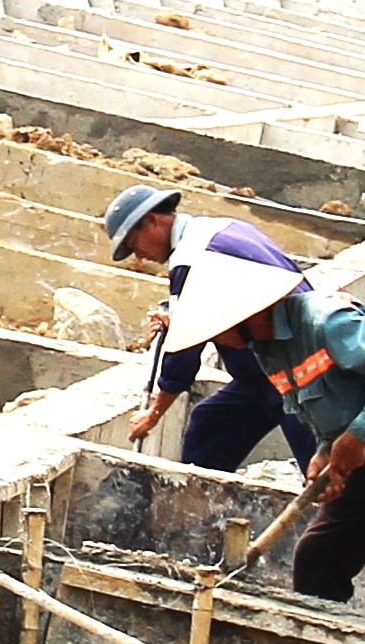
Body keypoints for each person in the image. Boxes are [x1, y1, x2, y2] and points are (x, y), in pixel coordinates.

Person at [160, 248, 365, 632]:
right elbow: (316, 404)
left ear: (244, 316)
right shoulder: (266, 350)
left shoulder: (328, 321)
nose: (218, 340)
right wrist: (326, 449)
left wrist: (357, 436)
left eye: (218, 329)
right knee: (317, 560)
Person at [103, 184, 319, 474]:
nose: (139, 257)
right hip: (262, 369)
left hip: (296, 370)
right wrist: (177, 322)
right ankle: (199, 512)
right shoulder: (221, 228)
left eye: (133, 244)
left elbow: (183, 353)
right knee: (210, 429)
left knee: (324, 469)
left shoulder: (190, 258)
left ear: (153, 221)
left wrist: (153, 414)